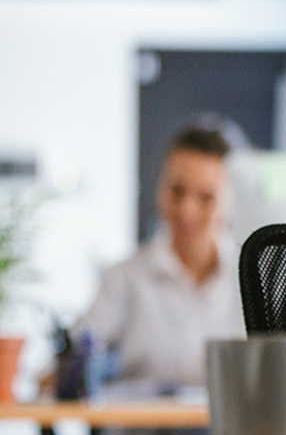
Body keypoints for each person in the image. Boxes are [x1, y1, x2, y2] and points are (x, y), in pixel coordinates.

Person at [78, 125, 245, 389]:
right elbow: (75, 358)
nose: (187, 211)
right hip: (142, 428)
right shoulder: (122, 278)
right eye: (177, 191)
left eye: (206, 198)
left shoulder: (252, 281)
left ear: (231, 201)